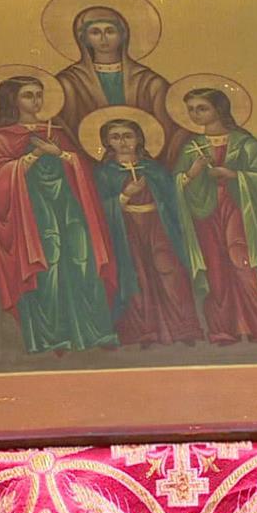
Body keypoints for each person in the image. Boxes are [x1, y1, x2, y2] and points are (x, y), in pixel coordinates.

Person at [0, 76, 118, 353]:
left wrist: (60, 153)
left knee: (83, 259)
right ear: (13, 100)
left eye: (39, 94)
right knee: (48, 264)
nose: (36, 101)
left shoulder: (57, 131)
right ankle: (53, 336)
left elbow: (82, 168)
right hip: (33, 213)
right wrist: (34, 156)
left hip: (69, 205)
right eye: (28, 95)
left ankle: (95, 331)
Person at [172, 88, 257, 347]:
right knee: (216, 269)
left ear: (219, 109)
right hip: (205, 215)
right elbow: (177, 184)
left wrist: (235, 176)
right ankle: (224, 330)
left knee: (247, 264)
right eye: (191, 109)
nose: (195, 114)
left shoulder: (246, 143)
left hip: (241, 212)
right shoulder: (191, 147)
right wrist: (191, 174)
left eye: (202, 108)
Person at [91, 117, 203, 346]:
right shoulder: (104, 173)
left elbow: (172, 195)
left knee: (170, 272)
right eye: (115, 137)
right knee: (136, 275)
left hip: (157, 226)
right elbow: (96, 209)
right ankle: (144, 333)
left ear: (139, 139)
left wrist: (190, 176)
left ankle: (183, 330)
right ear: (107, 142)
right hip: (126, 230)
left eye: (128, 136)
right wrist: (126, 195)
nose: (122, 142)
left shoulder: (154, 169)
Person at [56, 6, 189, 163]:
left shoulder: (150, 83)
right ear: (84, 38)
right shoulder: (69, 82)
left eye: (110, 31)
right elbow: (63, 130)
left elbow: (169, 131)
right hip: (88, 164)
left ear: (122, 35)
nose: (103, 38)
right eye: (95, 32)